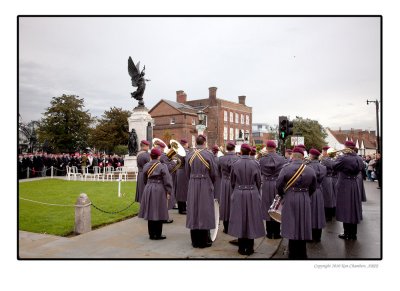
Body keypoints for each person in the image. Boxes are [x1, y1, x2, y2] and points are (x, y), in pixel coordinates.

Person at [276, 147, 317, 259]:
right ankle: (302, 253)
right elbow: (313, 187)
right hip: (304, 197)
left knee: (291, 223)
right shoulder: (310, 170)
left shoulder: (286, 168)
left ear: (292, 156)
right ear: (303, 156)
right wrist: (306, 195)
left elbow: (279, 185)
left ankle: (292, 252)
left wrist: (283, 195)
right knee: (303, 224)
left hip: (290, 197)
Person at [228, 143, 265, 255]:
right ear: (249, 152)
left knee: (240, 219)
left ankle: (241, 247)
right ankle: (249, 248)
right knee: (251, 220)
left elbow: (232, 182)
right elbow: (258, 181)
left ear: (241, 151)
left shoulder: (235, 163)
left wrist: (237, 190)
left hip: (239, 192)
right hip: (252, 192)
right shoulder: (255, 163)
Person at [185, 134, 218, 248]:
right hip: (205, 183)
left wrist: (193, 179)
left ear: (196, 143)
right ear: (204, 142)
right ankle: (204, 241)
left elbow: (187, 172)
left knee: (193, 210)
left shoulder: (189, 155)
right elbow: (214, 173)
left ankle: (195, 241)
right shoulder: (209, 154)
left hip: (193, 183)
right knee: (205, 211)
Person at [139, 148, 173, 240]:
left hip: (149, 187)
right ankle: (158, 234)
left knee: (150, 211)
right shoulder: (162, 166)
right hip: (159, 188)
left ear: (151, 156)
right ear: (159, 156)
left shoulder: (146, 165)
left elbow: (144, 179)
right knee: (160, 210)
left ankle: (151, 234)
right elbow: (167, 180)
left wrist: (149, 185)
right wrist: (169, 191)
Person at [333, 141, 364, 240]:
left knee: (345, 209)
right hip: (354, 184)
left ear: (346, 147)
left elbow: (334, 166)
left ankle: (347, 233)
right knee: (353, 209)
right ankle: (353, 234)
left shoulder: (343, 158)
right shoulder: (359, 158)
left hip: (345, 184)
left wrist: (338, 157)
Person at [259, 140, 286, 239]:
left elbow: (260, 172)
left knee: (267, 206)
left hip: (266, 184)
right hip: (277, 183)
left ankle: (269, 233)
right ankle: (277, 232)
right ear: (275, 148)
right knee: (277, 206)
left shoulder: (262, 160)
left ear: (267, 148)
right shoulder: (282, 159)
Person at [218, 141, 239, 234]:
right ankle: (232, 227)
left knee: (224, 204)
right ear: (234, 148)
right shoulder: (237, 158)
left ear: (227, 148)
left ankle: (226, 227)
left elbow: (218, 172)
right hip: (234, 183)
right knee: (233, 203)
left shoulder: (221, 158)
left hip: (224, 182)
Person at [307, 148, 327, 242]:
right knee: (318, 213)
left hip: (310, 191)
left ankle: (310, 235)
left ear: (311, 156)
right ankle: (317, 236)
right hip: (319, 191)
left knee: (310, 213)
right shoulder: (323, 167)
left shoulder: (307, 166)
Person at [320, 146, 336, 221]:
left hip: (326, 179)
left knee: (327, 197)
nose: (322, 153)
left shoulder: (325, 160)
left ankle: (328, 216)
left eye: (323, 151)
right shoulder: (330, 159)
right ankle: (332, 213)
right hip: (330, 178)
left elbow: (321, 169)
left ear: (326, 152)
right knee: (331, 196)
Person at [175, 138, 190, 214]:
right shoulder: (185, 152)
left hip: (178, 171)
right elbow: (188, 163)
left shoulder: (177, 152)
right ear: (185, 144)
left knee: (179, 190)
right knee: (183, 191)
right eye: (187, 143)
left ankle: (181, 207)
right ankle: (182, 209)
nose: (188, 145)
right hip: (184, 171)